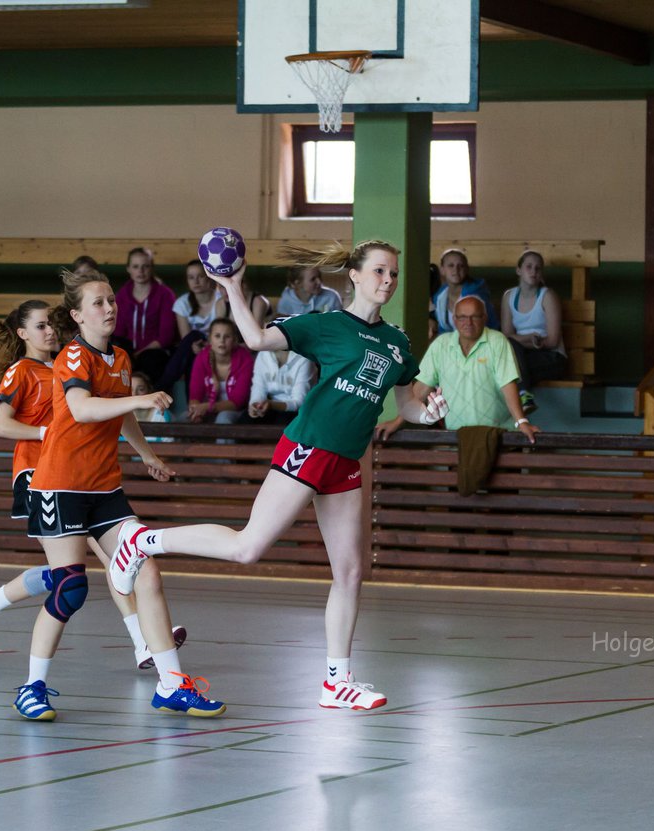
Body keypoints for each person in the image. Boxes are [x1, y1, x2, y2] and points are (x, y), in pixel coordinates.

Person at [108, 239, 448, 711]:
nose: (387, 281)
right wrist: (231, 284)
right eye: (379, 272)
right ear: (353, 275)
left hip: (347, 460)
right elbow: (257, 340)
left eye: (393, 274)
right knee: (247, 547)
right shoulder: (326, 325)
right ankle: (142, 543)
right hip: (308, 447)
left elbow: (407, 402)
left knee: (351, 572)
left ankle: (337, 681)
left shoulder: (397, 343)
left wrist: (427, 413)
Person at [20, 267, 223, 720]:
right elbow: (83, 408)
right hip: (60, 486)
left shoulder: (121, 358)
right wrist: (138, 400)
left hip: (105, 487)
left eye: (111, 300)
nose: (109, 308)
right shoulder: (73, 357)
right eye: (98, 302)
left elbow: (120, 419)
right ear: (77, 314)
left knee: (146, 573)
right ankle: (31, 686)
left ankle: (171, 684)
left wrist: (146, 454)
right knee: (71, 587)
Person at [0, 298, 186, 677]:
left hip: (78, 475)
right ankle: (138, 642)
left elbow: (110, 411)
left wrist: (145, 453)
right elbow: (1, 425)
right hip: (38, 474)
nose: (50, 331)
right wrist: (47, 432)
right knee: (84, 571)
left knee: (96, 568)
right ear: (22, 333)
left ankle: (141, 642)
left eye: (52, 324)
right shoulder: (22, 371)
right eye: (41, 325)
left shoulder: (68, 363)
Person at [375, 295, 539, 444]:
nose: (468, 322)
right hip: (458, 438)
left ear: (485, 318)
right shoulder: (441, 345)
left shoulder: (497, 341)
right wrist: (397, 422)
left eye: (474, 316)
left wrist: (521, 422)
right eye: (462, 317)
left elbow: (507, 384)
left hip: (500, 437)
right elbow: (422, 388)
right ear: (454, 319)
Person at [155, 259, 229, 393]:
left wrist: (205, 346)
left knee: (195, 337)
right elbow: (186, 339)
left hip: (218, 346)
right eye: (191, 278)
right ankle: (192, 405)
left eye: (200, 276)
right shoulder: (182, 303)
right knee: (192, 348)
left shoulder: (221, 300)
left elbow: (222, 331)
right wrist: (196, 347)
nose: (196, 281)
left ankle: (161, 388)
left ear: (209, 277)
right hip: (192, 349)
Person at [501, 250, 568, 392]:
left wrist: (533, 342)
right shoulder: (509, 296)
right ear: (519, 270)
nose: (534, 271)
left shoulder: (548, 296)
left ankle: (523, 394)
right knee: (509, 358)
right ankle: (523, 397)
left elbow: (552, 341)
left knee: (509, 368)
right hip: (521, 352)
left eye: (538, 268)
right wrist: (529, 338)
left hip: (550, 356)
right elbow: (506, 336)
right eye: (529, 267)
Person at [113, 246, 177, 385]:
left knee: (150, 360)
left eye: (145, 266)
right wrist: (130, 355)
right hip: (129, 352)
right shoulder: (122, 296)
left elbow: (166, 337)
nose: (140, 271)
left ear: (152, 268)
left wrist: (139, 354)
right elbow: (118, 332)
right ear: (128, 269)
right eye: (135, 266)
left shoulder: (165, 294)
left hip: (155, 352)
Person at [242, 328, 317, 426]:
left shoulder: (304, 358)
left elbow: (299, 402)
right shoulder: (263, 354)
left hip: (298, 410)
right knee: (246, 420)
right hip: (269, 406)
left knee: (283, 422)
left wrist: (271, 405)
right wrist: (255, 405)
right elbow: (258, 388)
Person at [187, 317, 254, 424]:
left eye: (227, 336)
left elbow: (238, 402)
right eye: (217, 336)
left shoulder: (245, 360)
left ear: (234, 340)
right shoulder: (201, 358)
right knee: (182, 419)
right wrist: (196, 412)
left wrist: (208, 407)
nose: (222, 340)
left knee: (224, 418)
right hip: (205, 408)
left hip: (238, 411)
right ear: (210, 339)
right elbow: (195, 395)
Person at [430, 248, 498, 337]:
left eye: (461, 266)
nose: (456, 269)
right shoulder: (440, 295)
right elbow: (442, 330)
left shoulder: (476, 293)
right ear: (442, 269)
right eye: (451, 265)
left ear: (466, 269)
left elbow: (479, 330)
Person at [277, 265, 343, 316]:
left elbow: (339, 323)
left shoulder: (332, 297)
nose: (319, 282)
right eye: (313, 279)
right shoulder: (286, 301)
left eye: (319, 277)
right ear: (297, 283)